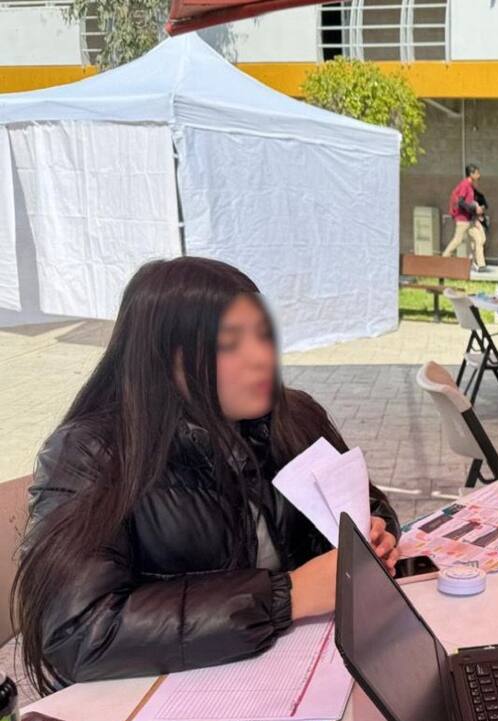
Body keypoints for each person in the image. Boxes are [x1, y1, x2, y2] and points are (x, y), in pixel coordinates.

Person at [16, 257, 401, 694]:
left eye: (263, 335)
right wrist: (288, 595)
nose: (261, 358)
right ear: (162, 358)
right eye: (228, 344)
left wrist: (374, 532)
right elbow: (78, 632)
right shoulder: (92, 453)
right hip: (161, 698)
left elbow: (365, 501)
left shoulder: (293, 417)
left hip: (295, 669)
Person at [441, 163, 487, 269]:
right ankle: (443, 259)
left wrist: (476, 210)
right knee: (457, 240)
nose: (479, 175)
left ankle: (481, 265)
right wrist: (474, 209)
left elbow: (468, 202)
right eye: (477, 173)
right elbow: (461, 202)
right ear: (471, 174)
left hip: (469, 219)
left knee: (479, 239)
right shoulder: (465, 185)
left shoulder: (470, 186)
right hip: (462, 219)